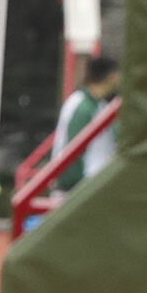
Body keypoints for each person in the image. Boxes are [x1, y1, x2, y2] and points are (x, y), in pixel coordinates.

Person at [43, 54, 118, 217]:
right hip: (76, 194)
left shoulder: (101, 105)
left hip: (89, 192)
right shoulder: (82, 106)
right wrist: (73, 188)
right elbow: (73, 151)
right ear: (112, 76)